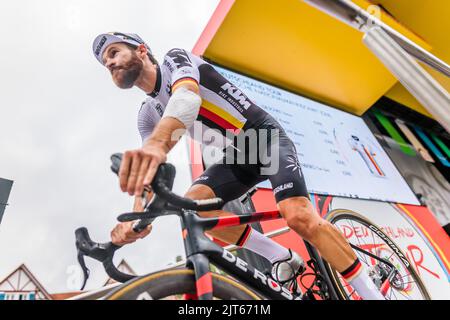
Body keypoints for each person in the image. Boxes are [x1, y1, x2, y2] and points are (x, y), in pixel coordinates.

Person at [92, 32, 384, 299]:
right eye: (105, 62)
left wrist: (157, 146)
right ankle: (280, 256)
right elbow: (148, 175)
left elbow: (186, 99)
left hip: (263, 138)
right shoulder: (147, 114)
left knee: (297, 217)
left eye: (114, 52)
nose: (110, 62)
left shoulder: (173, 60)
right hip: (238, 156)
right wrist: (134, 220)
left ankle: (372, 295)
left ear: (142, 50)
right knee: (192, 206)